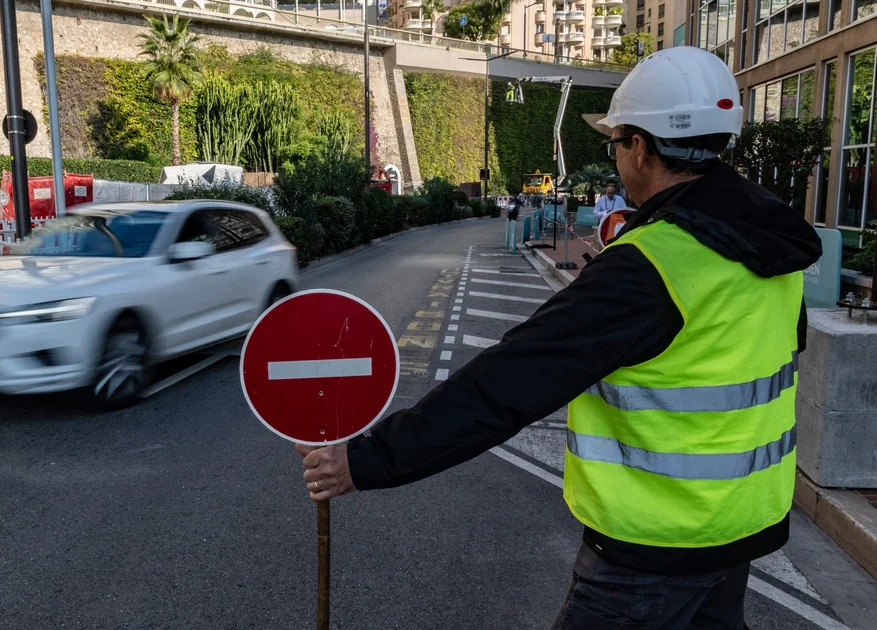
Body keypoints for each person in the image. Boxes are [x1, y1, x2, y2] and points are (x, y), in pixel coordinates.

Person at [295, 46, 821, 629]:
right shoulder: (773, 251)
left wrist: (365, 462)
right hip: (738, 531)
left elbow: (507, 383)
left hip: (650, 551)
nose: (618, 158)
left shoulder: (650, 266)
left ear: (641, 149)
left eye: (615, 143)